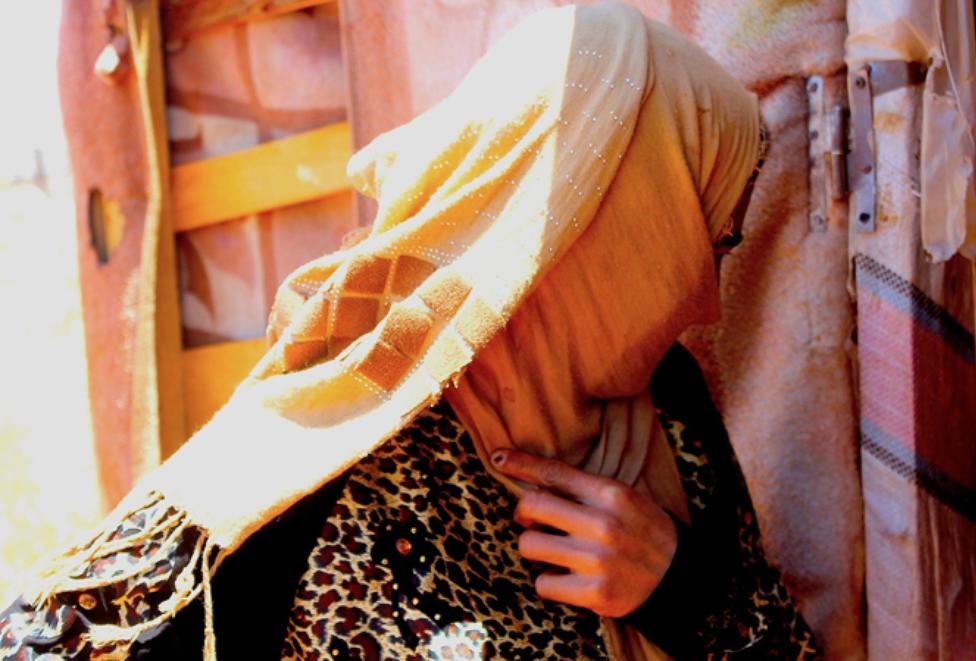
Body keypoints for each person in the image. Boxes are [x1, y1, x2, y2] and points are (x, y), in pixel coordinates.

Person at [0, 3, 817, 659]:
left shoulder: (670, 409)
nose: (706, 304)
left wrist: (678, 590)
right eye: (702, 242)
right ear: (609, 230)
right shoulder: (337, 430)